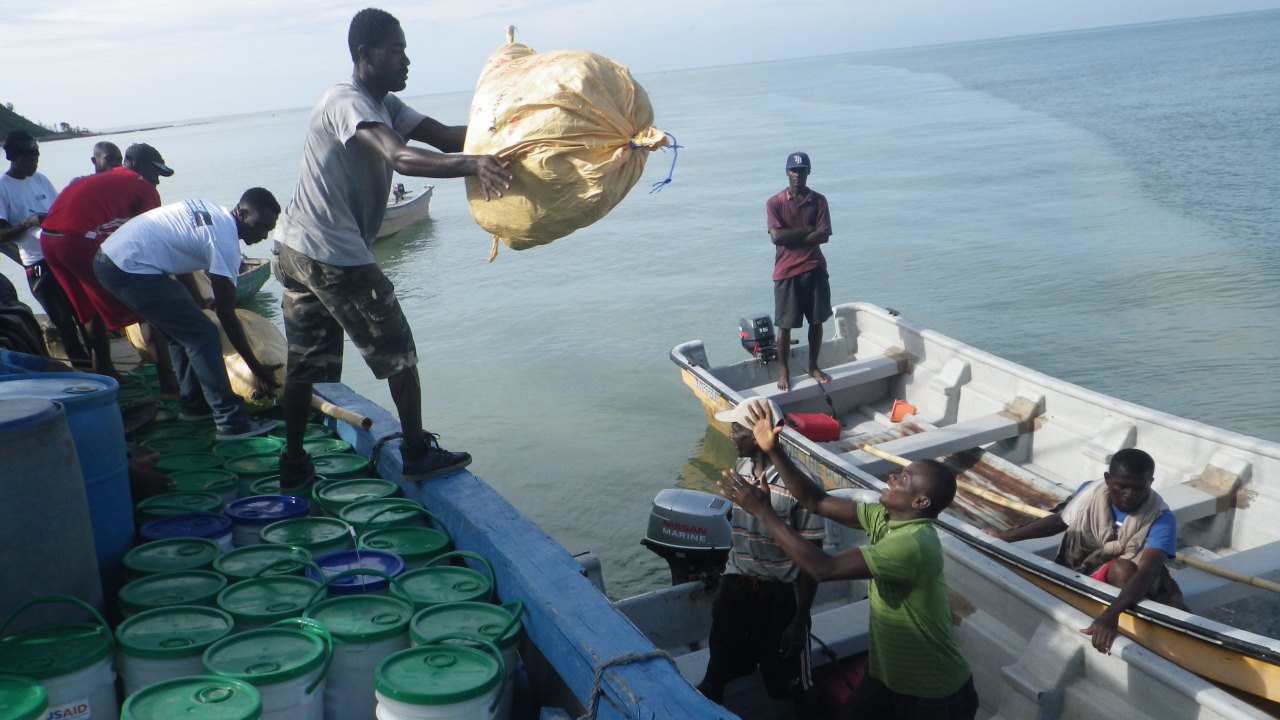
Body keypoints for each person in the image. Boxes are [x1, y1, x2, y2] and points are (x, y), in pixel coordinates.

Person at [271, 7, 511, 489]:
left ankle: (293, 461)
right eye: (396, 49)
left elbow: (445, 137)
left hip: (293, 246)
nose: (406, 60)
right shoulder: (345, 100)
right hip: (330, 252)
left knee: (305, 363)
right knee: (397, 351)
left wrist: (512, 141)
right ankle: (417, 452)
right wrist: (473, 166)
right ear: (365, 55)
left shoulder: (387, 106)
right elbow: (400, 157)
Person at [718, 401, 977, 720]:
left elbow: (823, 568)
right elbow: (816, 500)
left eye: (904, 479)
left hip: (933, 694)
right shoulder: (885, 516)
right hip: (885, 677)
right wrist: (775, 451)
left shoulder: (913, 543)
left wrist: (765, 513)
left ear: (920, 502)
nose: (893, 476)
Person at [93, 189, 282, 440]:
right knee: (203, 335)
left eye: (269, 229)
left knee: (182, 332)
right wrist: (256, 366)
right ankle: (231, 421)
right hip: (129, 268)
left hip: (113, 258)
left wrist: (198, 303)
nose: (264, 235)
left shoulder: (214, 213)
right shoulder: (224, 241)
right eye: (261, 226)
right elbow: (227, 314)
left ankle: (195, 406)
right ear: (243, 212)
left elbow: (182, 263)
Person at [985, 448, 1181, 654]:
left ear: (1150, 482)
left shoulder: (1161, 517)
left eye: (1138, 488)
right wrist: (1006, 537)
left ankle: (1127, 623)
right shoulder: (1089, 492)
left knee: (1123, 570)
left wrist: (1110, 615)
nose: (1129, 494)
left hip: (1125, 581)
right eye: (1121, 486)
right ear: (1107, 479)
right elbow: (1059, 521)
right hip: (1080, 567)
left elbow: (1148, 570)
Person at [696, 398, 825, 709]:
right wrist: (726, 587)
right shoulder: (740, 469)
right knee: (717, 673)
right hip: (738, 589)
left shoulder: (803, 485)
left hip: (780, 599)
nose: (730, 434)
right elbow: (737, 539)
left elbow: (812, 561)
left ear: (760, 435)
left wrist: (800, 619)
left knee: (787, 684)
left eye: (737, 429)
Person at [40, 143, 172, 377]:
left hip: (48, 240)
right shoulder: (143, 188)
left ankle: (105, 372)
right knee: (146, 307)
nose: (158, 181)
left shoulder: (104, 179)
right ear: (138, 166)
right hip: (77, 241)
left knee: (89, 309)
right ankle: (170, 383)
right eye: (156, 173)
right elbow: (149, 240)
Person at [0, 130, 91, 368]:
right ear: (14, 158)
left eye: (36, 158)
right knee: (63, 320)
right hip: (38, 263)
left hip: (61, 255)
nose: (34, 164)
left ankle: (99, 362)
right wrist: (27, 223)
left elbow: (59, 210)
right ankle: (82, 367)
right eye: (29, 159)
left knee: (83, 312)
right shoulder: (3, 188)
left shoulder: (39, 179)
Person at [766, 151, 833, 392]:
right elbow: (776, 237)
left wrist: (791, 236)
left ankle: (813, 366)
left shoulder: (819, 201)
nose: (798, 174)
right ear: (787, 172)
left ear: (808, 172)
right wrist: (807, 229)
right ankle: (784, 370)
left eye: (802, 170)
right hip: (786, 272)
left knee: (816, 321)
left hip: (814, 268)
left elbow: (824, 235)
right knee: (784, 325)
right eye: (794, 170)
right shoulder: (775, 203)